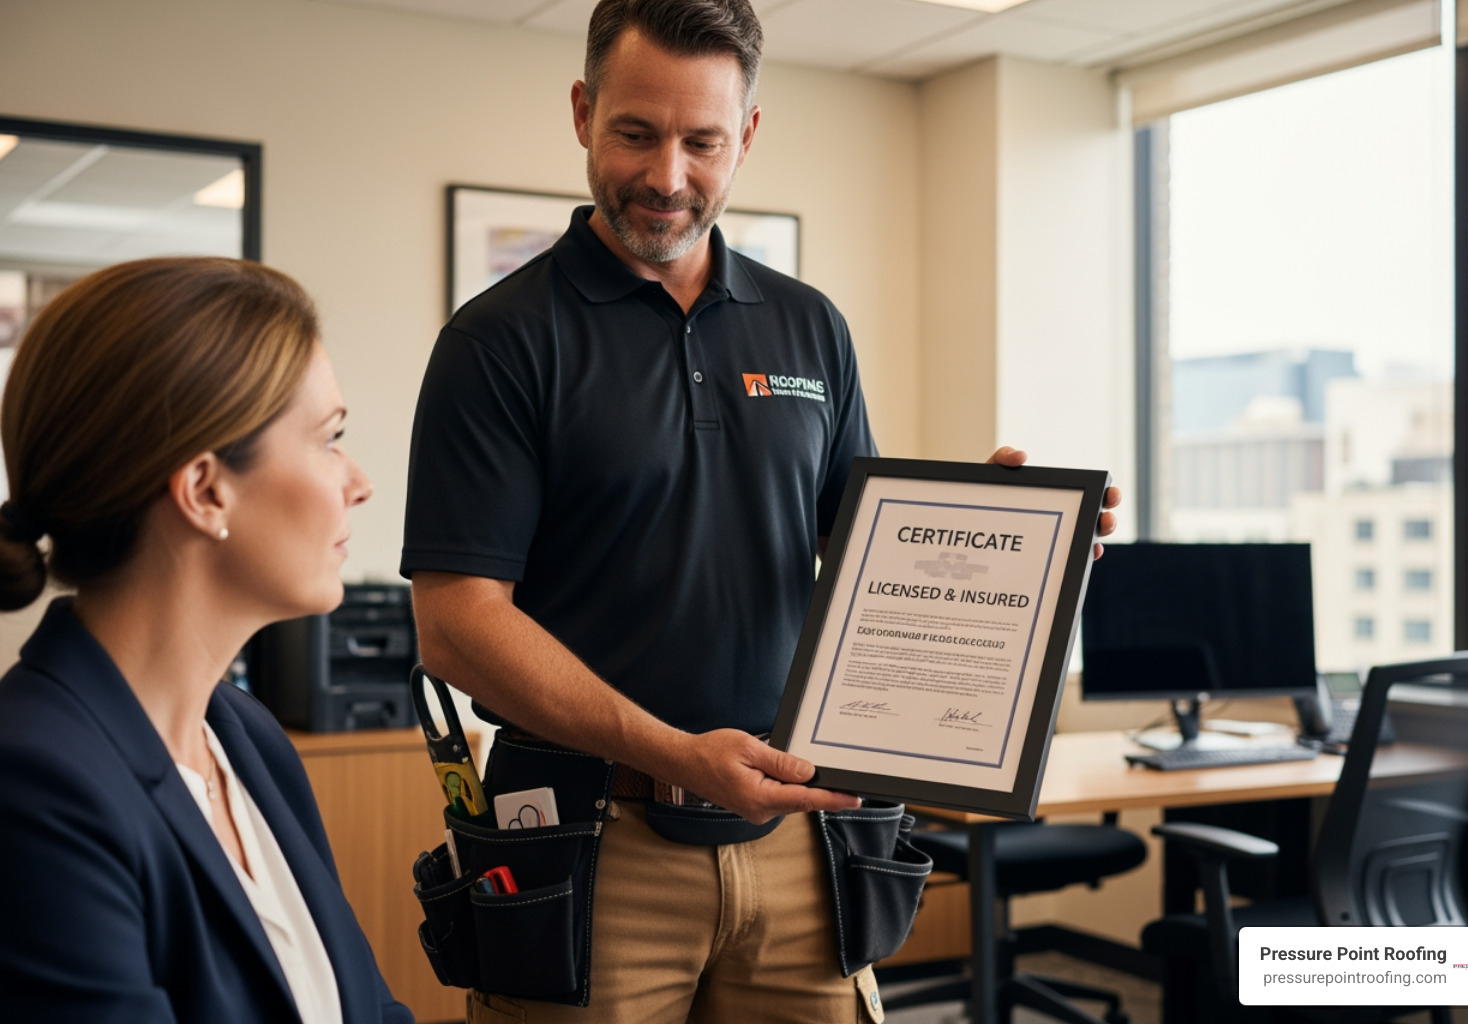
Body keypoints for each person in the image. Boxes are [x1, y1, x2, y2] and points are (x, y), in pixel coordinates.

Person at [402, 2, 1119, 1021]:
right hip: (597, 843)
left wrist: (1004, 542)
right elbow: (458, 622)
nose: (666, 176)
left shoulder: (809, 325)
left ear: (747, 133)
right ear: (581, 112)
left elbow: (860, 554)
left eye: (701, 140)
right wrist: (675, 753)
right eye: (636, 133)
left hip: (801, 844)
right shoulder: (502, 342)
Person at [0, 257, 412, 1024]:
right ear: (205, 490)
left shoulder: (245, 737)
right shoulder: (36, 785)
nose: (358, 481)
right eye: (330, 438)